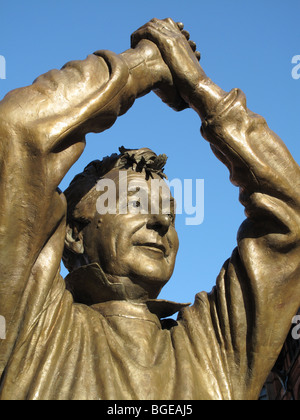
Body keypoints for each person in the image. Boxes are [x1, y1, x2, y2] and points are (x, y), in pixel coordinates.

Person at [0, 18, 299, 400]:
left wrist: (199, 88)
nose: (161, 222)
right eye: (136, 203)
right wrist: (146, 66)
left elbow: (291, 212)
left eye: (171, 215)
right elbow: (18, 131)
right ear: (75, 233)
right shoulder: (32, 326)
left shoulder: (213, 349)